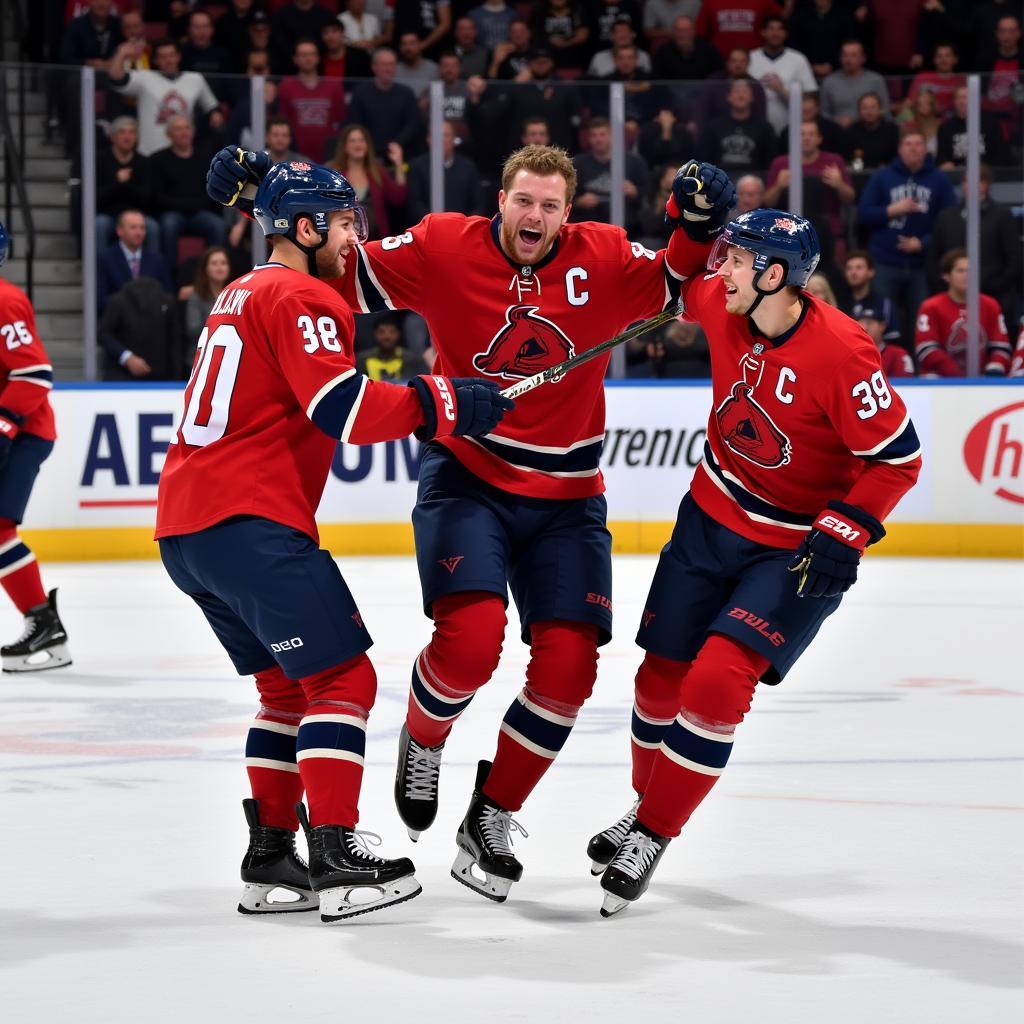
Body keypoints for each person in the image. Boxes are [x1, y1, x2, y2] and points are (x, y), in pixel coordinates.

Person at [206, 140, 736, 904]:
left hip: (569, 498)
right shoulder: (442, 245)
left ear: (567, 211)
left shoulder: (606, 255)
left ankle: (492, 815)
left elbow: (675, 284)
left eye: (552, 205)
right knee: (471, 639)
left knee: (568, 669)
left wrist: (696, 223)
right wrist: (268, 202)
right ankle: (422, 742)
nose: (537, 216)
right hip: (470, 477)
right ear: (501, 197)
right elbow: (332, 265)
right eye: (525, 200)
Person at [157, 159, 512, 922]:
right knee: (343, 681)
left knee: (284, 690)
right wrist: (443, 401)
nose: (359, 238)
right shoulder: (301, 293)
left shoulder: (246, 287)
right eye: (346, 223)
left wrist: (262, 194)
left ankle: (272, 857)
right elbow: (343, 408)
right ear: (309, 229)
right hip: (250, 519)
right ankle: (340, 855)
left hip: (187, 528)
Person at [589, 203, 922, 916]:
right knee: (657, 682)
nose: (723, 269)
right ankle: (648, 803)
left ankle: (652, 828)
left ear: (776, 275)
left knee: (715, 682)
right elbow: (672, 280)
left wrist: (849, 526)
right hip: (708, 519)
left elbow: (898, 458)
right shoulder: (721, 301)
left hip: (792, 546)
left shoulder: (842, 352)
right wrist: (691, 217)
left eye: (738, 259)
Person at [0, 222, 72, 674]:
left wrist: (2, 425)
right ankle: (45, 627)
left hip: (22, 432)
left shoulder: (5, 300)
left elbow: (34, 375)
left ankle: (45, 627)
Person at [857, 130, 957, 342]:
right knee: (882, 320)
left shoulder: (939, 180)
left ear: (925, 149)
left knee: (920, 322)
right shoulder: (882, 178)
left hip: (922, 264)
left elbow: (950, 221)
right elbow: (863, 214)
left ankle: (917, 369)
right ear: (900, 149)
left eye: (918, 144)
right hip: (885, 261)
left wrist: (923, 243)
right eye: (908, 144)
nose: (913, 148)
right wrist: (891, 210)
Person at [926, 165, 1021, 329]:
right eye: (967, 181)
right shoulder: (947, 217)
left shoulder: (1003, 216)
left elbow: (1015, 258)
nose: (972, 185)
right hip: (951, 297)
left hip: (994, 294)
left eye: (979, 181)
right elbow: (934, 256)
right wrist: (944, 287)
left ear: (987, 184)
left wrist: (995, 285)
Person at [108, 37, 225, 156]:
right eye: (163, 57)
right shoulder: (144, 78)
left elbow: (212, 107)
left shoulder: (195, 79)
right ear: (155, 60)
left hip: (183, 153)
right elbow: (116, 78)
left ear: (178, 57)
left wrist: (215, 115)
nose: (168, 60)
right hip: (149, 153)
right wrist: (121, 54)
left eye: (171, 55)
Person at [914, 249, 1011, 376]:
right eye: (960, 271)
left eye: (971, 271)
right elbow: (925, 348)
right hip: (940, 380)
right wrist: (957, 374)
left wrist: (994, 368)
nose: (967, 275)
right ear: (946, 276)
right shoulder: (931, 306)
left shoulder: (990, 305)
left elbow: (1001, 345)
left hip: (982, 381)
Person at [150, 115, 228, 273]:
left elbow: (212, 193)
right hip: (171, 213)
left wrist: (194, 205)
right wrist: (186, 205)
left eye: (187, 128)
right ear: (169, 134)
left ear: (193, 132)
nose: (184, 133)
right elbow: (157, 197)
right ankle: (169, 277)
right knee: (169, 225)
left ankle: (211, 274)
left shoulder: (205, 159)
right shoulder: (158, 160)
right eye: (178, 129)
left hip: (200, 213)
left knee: (217, 225)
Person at [325, 124, 408, 240]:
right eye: (353, 141)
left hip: (376, 239)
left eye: (361, 140)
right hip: (343, 239)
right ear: (344, 147)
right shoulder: (334, 173)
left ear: (367, 145)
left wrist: (399, 165)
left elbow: (398, 198)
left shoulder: (377, 171)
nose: (358, 144)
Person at [570, 117, 650, 234]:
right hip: (588, 225)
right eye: (594, 135)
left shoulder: (634, 162)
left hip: (627, 226)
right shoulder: (578, 163)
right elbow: (567, 196)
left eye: (602, 135)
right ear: (589, 138)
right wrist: (579, 202)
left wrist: (635, 192)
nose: (598, 139)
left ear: (612, 136)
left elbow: (648, 193)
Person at [95, 116, 159, 254]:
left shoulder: (144, 162)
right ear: (112, 137)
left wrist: (127, 184)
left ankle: (154, 272)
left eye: (131, 133)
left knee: (152, 227)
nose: (127, 137)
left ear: (136, 138)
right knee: (99, 225)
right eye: (122, 132)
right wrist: (117, 183)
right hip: (108, 214)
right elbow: (96, 198)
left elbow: (146, 198)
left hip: (136, 215)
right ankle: (99, 271)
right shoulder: (99, 160)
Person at [277, 38, 347, 164]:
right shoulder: (286, 86)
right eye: (303, 55)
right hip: (295, 156)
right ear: (295, 59)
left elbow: (341, 122)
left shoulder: (334, 86)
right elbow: (283, 121)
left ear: (318, 58)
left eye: (312, 54)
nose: (308, 59)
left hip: (329, 157)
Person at [99, 275, 182, 381]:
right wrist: (127, 357)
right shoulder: (119, 302)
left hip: (157, 376)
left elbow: (175, 341)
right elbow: (103, 333)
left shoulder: (167, 303)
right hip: (123, 376)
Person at [746, 15, 819, 136]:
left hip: (791, 128)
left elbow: (811, 96)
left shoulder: (798, 59)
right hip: (755, 129)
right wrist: (758, 87)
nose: (776, 33)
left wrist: (781, 90)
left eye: (780, 29)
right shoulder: (751, 58)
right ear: (763, 32)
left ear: (786, 34)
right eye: (771, 29)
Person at [347, 47, 423, 159]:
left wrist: (395, 145)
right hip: (367, 154)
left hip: (401, 153)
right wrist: (368, 147)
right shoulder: (360, 93)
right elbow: (356, 124)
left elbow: (413, 124)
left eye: (392, 64)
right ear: (374, 67)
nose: (388, 68)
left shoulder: (407, 93)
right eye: (384, 64)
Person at [97, 209, 173, 314]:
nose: (139, 232)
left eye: (142, 228)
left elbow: (167, 297)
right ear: (119, 231)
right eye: (133, 228)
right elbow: (100, 300)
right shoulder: (105, 259)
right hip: (119, 322)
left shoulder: (157, 260)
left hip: (151, 322)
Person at [407, 121, 484, 221]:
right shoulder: (417, 167)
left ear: (454, 139)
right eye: (437, 136)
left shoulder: (468, 167)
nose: (442, 140)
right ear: (429, 140)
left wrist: (465, 224)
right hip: (429, 228)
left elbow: (478, 204)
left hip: (462, 228)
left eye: (446, 135)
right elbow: (415, 204)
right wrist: (437, 223)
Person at [819, 40, 892, 129]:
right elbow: (824, 113)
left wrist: (857, 120)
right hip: (837, 130)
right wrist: (836, 121)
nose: (848, 60)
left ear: (863, 58)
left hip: (868, 130)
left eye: (853, 55)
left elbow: (885, 112)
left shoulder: (876, 80)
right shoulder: (829, 82)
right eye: (845, 55)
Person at [839, 249, 902, 348]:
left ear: (871, 272)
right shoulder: (839, 304)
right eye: (849, 268)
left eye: (859, 268)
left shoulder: (884, 304)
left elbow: (893, 340)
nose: (853, 272)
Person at [184, 246, 232, 362]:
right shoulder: (196, 296)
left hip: (229, 356)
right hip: (201, 358)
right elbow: (194, 329)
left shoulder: (234, 294)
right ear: (205, 268)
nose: (220, 267)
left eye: (223, 263)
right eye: (214, 263)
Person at [356, 316, 428, 382]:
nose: (387, 336)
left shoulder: (413, 359)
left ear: (399, 334)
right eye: (382, 332)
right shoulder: (362, 359)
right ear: (375, 334)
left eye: (392, 332)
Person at [845, 92, 900, 171]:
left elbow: (897, 158)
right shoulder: (851, 131)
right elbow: (847, 160)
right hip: (859, 175)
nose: (869, 112)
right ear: (859, 111)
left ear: (880, 110)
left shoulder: (892, 130)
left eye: (873, 107)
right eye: (864, 108)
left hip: (887, 174)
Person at [856, 305, 915, 378]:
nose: (864, 327)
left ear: (882, 326)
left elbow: (907, 385)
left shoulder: (897, 354)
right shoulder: (852, 354)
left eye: (869, 323)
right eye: (860, 323)